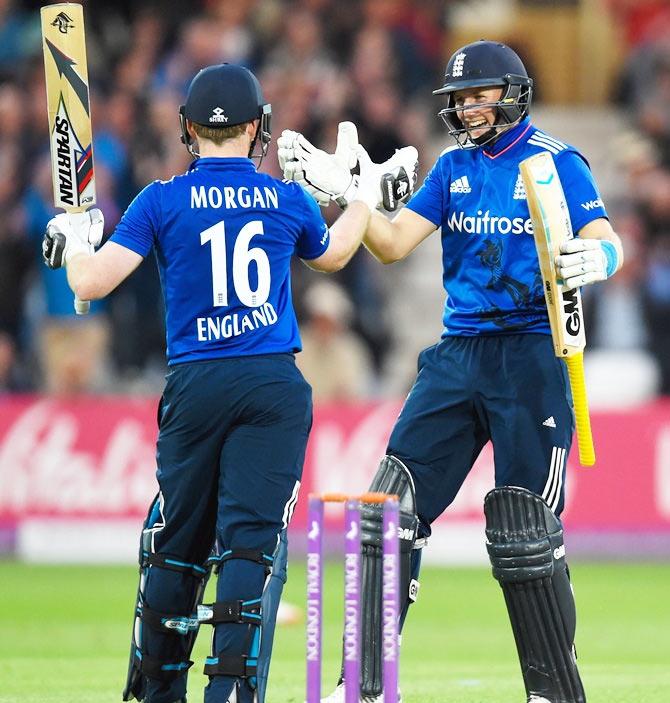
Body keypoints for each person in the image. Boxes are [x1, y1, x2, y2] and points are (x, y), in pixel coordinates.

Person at [41, 64, 417, 703]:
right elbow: (332, 254)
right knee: (251, 550)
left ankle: (159, 692)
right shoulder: (283, 197)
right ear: (257, 130)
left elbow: (89, 284)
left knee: (178, 546)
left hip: (195, 384)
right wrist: (363, 198)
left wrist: (75, 241)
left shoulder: (159, 198)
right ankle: (232, 694)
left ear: (189, 128)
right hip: (272, 387)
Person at [278, 40, 624, 703]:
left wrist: (596, 259)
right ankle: (366, 685)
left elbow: (606, 236)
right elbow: (393, 243)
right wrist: (353, 197)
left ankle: (553, 692)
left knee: (525, 533)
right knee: (387, 509)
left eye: (478, 94)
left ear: (512, 93)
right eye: (459, 98)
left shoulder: (555, 162)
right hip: (459, 354)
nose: (466, 107)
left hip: (531, 355)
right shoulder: (453, 167)